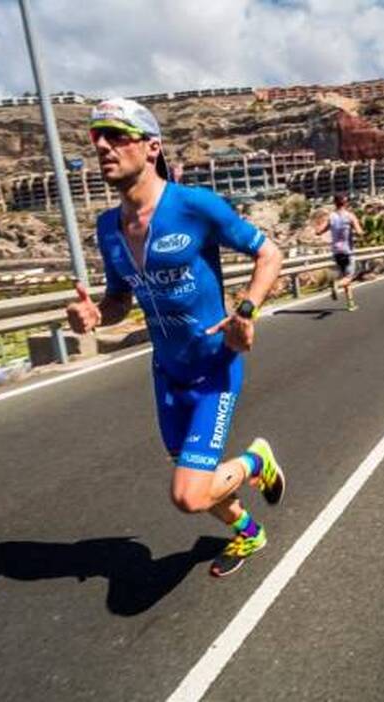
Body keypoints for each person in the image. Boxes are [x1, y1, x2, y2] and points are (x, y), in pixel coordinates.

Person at [65, 97, 286, 578]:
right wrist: (95, 316)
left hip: (213, 367)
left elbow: (270, 254)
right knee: (195, 479)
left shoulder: (195, 206)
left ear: (151, 147)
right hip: (167, 372)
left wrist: (246, 308)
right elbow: (120, 299)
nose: (102, 145)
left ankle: (254, 461)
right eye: (96, 137)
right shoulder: (108, 228)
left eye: (116, 135)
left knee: (188, 493)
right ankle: (249, 532)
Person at [316, 194, 362, 311]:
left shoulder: (331, 217)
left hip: (336, 252)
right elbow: (359, 231)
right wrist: (360, 233)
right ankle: (337, 285)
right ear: (346, 203)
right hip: (348, 251)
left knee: (345, 276)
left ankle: (350, 304)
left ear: (335, 203)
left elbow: (319, 231)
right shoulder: (350, 216)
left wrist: (320, 223)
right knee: (349, 277)